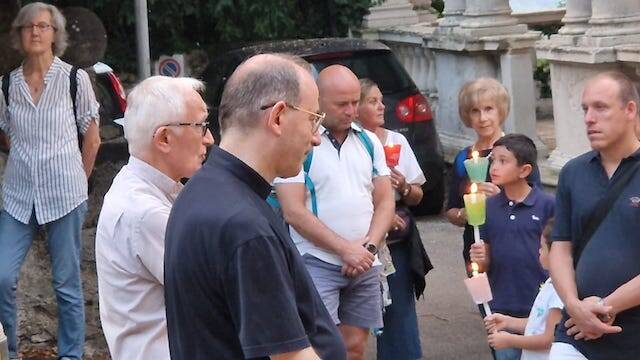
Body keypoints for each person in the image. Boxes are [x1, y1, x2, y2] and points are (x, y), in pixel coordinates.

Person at [163, 53, 346, 360]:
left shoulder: (204, 190)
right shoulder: (244, 226)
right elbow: (289, 356)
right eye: (314, 119)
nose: (316, 139)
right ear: (277, 117)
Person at [0, 3, 100, 359]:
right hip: (18, 195)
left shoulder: (75, 79)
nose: (36, 32)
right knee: (2, 277)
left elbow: (92, 137)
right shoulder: (6, 85)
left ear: (55, 34)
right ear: (19, 35)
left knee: (67, 285)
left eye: (43, 26)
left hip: (65, 195)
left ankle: (70, 355)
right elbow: (8, 135)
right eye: (28, 27)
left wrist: (79, 182)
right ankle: (8, 352)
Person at [275, 65, 395, 360]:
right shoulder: (301, 143)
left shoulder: (369, 141)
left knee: (355, 348)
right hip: (316, 261)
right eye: (342, 104)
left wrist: (366, 248)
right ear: (319, 101)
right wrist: (346, 250)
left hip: (365, 261)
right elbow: (293, 211)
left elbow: (385, 201)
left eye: (355, 102)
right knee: (319, 348)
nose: (351, 110)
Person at [95, 76, 214, 360]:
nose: (209, 138)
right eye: (201, 126)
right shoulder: (146, 213)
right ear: (163, 138)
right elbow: (216, 295)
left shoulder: (142, 187)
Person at [548, 71, 640, 359]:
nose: (589, 118)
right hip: (575, 332)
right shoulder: (573, 173)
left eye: (600, 107)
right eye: (585, 109)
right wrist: (574, 306)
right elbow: (560, 248)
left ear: (630, 110)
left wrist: (603, 308)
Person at [356, 78, 432, 360]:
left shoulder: (396, 141)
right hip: (359, 236)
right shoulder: (352, 143)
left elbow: (417, 195)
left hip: (397, 240)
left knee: (399, 312)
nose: (381, 106)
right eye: (371, 101)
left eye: (380, 100)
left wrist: (403, 187)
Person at [470, 134, 554, 360]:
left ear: (524, 170)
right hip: (502, 305)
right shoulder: (487, 207)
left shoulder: (548, 205)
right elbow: (484, 262)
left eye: (503, 161)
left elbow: (560, 254)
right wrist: (480, 257)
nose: (494, 167)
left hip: (540, 304)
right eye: (493, 160)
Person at [445, 78, 509, 276]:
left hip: (512, 245)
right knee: (484, 304)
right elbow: (451, 210)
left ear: (500, 110)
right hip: (475, 247)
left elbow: (539, 203)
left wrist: (501, 198)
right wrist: (463, 214)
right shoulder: (464, 158)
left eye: (489, 108)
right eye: (475, 111)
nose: (482, 118)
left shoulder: (517, 150)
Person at [484, 218, 563, 360]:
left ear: (556, 253)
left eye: (542, 247)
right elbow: (538, 324)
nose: (539, 251)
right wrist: (508, 322)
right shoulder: (551, 283)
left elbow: (549, 339)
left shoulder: (560, 292)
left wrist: (510, 340)